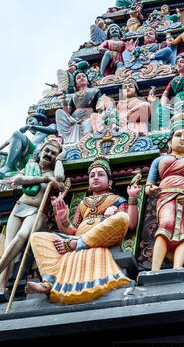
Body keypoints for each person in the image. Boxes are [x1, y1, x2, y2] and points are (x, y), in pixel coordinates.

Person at [25, 156, 141, 305]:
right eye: (92, 176)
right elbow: (71, 231)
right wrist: (61, 216)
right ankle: (48, 282)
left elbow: (130, 224)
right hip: (76, 238)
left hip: (101, 237)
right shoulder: (82, 204)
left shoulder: (117, 199)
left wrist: (131, 198)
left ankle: (78, 244)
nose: (96, 178)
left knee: (121, 218)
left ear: (110, 182)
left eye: (100, 174)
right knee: (37, 237)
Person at [0, 138, 64, 300]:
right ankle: (2, 287)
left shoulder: (53, 172)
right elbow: (18, 180)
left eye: (53, 153)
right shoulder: (31, 168)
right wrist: (44, 179)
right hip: (20, 206)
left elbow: (60, 177)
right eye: (46, 151)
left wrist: (60, 159)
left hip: (37, 211)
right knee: (9, 246)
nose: (48, 155)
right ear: (40, 152)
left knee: (22, 236)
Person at [145, 121, 184, 271]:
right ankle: (155, 269)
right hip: (165, 195)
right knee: (165, 225)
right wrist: (151, 189)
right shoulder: (159, 160)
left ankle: (178, 268)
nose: (182, 138)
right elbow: (148, 186)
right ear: (169, 143)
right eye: (178, 135)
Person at [0, 109, 57, 179]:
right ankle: (7, 168)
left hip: (36, 152)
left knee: (16, 134)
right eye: (27, 123)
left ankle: (8, 167)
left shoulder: (50, 126)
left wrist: (31, 126)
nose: (28, 124)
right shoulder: (32, 139)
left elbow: (53, 130)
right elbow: (13, 146)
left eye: (30, 121)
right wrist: (2, 152)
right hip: (26, 153)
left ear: (40, 122)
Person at [55, 70, 102, 144]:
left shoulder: (95, 90)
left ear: (88, 81)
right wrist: (64, 104)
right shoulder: (74, 96)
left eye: (83, 76)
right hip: (74, 118)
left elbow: (101, 104)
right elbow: (67, 113)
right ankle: (64, 138)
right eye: (78, 77)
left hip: (88, 116)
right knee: (59, 112)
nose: (81, 78)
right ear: (76, 84)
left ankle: (85, 144)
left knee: (88, 126)